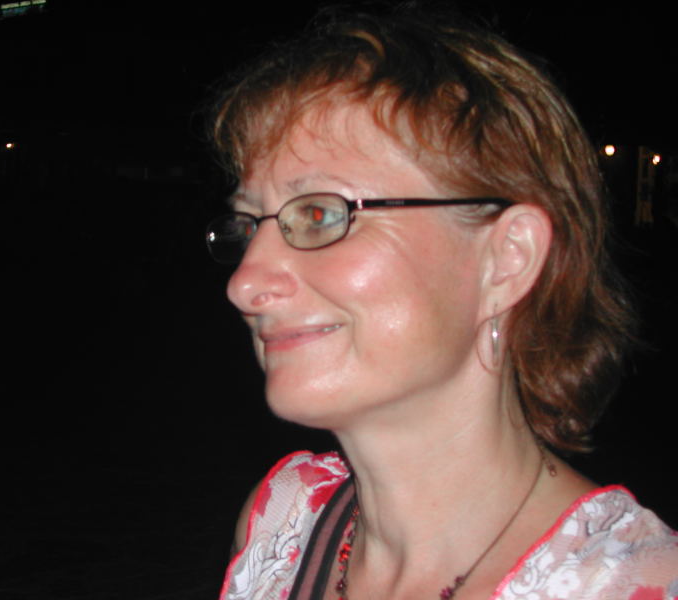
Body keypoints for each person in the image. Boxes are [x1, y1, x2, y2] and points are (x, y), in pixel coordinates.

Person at [204, 5, 678, 599]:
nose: (244, 282)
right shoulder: (284, 523)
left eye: (320, 213)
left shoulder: (633, 585)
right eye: (250, 223)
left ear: (507, 259)